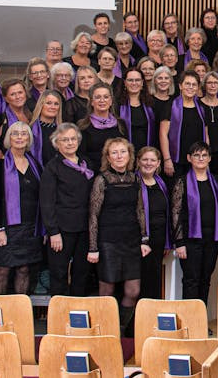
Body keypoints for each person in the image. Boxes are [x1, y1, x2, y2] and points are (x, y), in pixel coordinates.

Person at [87, 138, 151, 333]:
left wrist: (144, 238)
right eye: (114, 152)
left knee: (133, 291)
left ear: (129, 155)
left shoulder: (135, 179)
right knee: (107, 291)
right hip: (108, 241)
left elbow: (140, 210)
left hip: (131, 241)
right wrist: (93, 247)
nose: (119, 156)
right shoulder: (102, 179)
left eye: (123, 152)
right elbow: (93, 215)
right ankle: (104, 331)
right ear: (108, 157)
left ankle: (119, 329)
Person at [0, 122, 42, 295]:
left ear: (29, 139)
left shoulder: (35, 166)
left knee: (24, 269)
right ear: (8, 138)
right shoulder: (0, 166)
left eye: (23, 134)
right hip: (7, 228)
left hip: (30, 227)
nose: (19, 137)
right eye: (15, 134)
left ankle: (19, 313)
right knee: (3, 270)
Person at [40, 123, 94, 296]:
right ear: (57, 143)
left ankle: (76, 315)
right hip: (62, 230)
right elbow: (47, 202)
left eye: (73, 139)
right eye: (65, 140)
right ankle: (59, 316)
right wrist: (53, 231)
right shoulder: (53, 167)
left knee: (81, 273)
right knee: (59, 273)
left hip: (85, 228)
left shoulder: (87, 163)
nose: (70, 143)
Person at [172, 142, 218, 304]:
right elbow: (176, 213)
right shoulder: (182, 182)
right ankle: (190, 323)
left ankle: (201, 322)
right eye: (196, 155)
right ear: (189, 158)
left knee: (205, 280)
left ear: (209, 158)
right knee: (191, 281)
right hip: (189, 240)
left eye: (204, 155)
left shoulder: (217, 181)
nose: (200, 158)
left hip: (212, 240)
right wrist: (179, 242)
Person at [137, 146, 172, 300]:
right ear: (138, 161)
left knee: (155, 277)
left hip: (158, 238)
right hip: (140, 239)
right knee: (141, 279)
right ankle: (137, 320)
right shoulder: (133, 182)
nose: (148, 163)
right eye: (145, 159)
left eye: (152, 160)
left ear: (158, 163)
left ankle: (152, 316)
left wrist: (167, 242)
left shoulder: (161, 183)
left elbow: (168, 212)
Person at [159, 72, 207, 177]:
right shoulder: (171, 106)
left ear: (198, 87)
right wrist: (167, 159)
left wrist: (206, 158)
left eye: (194, 85)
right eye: (187, 84)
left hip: (197, 160)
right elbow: (163, 134)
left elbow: (206, 135)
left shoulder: (202, 107)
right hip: (176, 160)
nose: (190, 87)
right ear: (180, 86)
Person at [79, 83, 127, 170]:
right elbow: (81, 155)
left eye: (106, 97)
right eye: (97, 97)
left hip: (117, 174)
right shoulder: (83, 126)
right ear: (92, 102)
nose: (102, 100)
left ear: (111, 101)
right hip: (93, 172)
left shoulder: (121, 124)